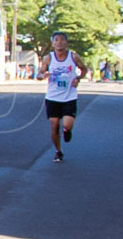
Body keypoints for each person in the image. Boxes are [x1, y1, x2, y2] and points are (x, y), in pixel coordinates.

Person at [37, 31, 87, 163]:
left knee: (67, 124)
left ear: (67, 42)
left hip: (69, 96)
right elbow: (41, 72)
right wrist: (42, 75)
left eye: (62, 40)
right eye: (56, 40)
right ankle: (58, 151)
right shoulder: (49, 58)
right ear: (52, 43)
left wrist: (78, 78)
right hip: (53, 96)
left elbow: (84, 69)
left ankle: (67, 130)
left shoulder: (73, 56)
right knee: (54, 125)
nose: (59, 42)